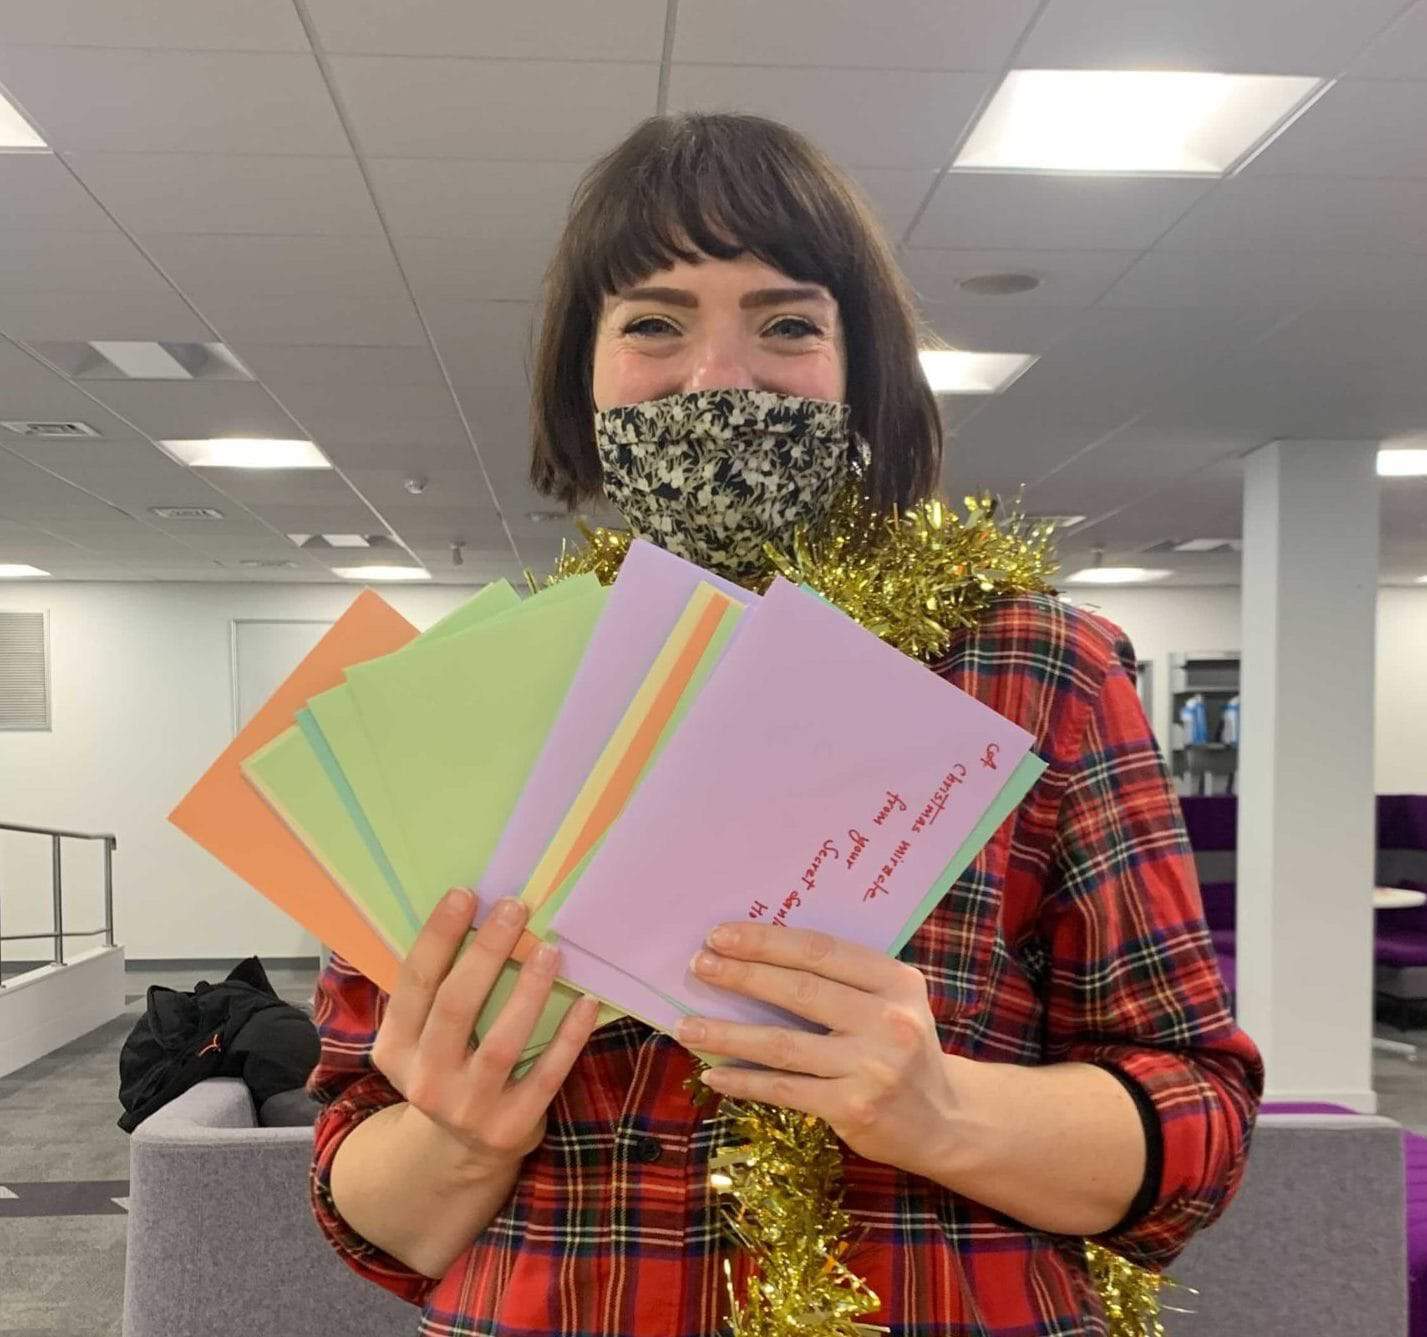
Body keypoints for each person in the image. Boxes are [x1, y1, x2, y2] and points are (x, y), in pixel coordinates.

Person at [306, 113, 1263, 1335]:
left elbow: (1198, 1121)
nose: (718, 375)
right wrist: (454, 1133)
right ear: (578, 377)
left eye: (787, 323)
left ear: (859, 369)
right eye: (652, 321)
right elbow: (366, 1206)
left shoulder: (1032, 669)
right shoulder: (458, 706)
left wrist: (941, 1107)